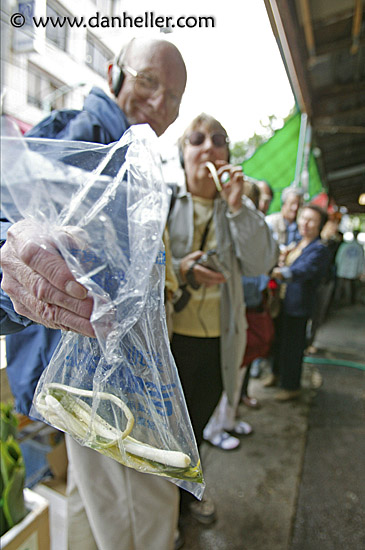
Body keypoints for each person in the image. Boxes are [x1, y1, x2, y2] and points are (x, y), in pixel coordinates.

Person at [0, 37, 187, 550]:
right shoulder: (79, 137)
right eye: (148, 81)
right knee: (142, 516)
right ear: (114, 74)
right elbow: (13, 231)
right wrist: (11, 259)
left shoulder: (138, 158)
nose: (159, 103)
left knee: (94, 504)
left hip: (92, 382)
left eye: (173, 96)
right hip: (105, 381)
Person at [167, 113, 278, 527]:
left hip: (220, 341)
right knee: (166, 432)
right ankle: (163, 510)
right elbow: (147, 268)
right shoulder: (163, 200)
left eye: (219, 139)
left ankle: (186, 499)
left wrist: (238, 208)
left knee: (195, 431)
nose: (209, 146)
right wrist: (182, 269)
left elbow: (262, 261)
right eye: (196, 139)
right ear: (184, 154)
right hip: (171, 341)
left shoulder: (237, 207)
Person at [269, 204, 330, 401]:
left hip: (298, 306)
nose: (305, 223)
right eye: (303, 218)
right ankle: (276, 374)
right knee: (279, 342)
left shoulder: (319, 249)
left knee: (293, 347)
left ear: (319, 225)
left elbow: (303, 271)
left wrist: (279, 273)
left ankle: (291, 386)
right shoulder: (297, 242)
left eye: (311, 220)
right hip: (283, 302)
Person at [334, 230, 365, 306]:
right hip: (352, 270)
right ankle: (347, 301)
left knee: (341, 286)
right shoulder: (359, 247)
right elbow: (361, 261)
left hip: (342, 269)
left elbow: (338, 257)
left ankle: (339, 301)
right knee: (347, 286)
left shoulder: (345, 245)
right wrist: (360, 270)